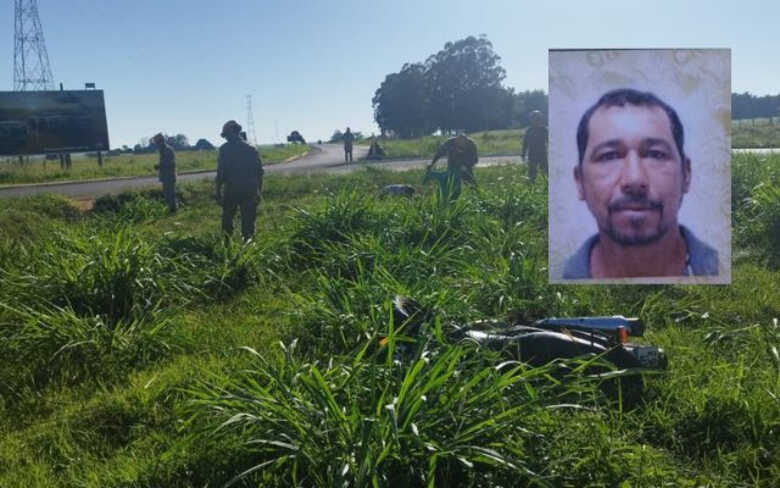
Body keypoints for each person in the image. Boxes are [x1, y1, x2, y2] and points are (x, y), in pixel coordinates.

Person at [562, 88, 718, 279]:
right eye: (609, 156)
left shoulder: (724, 269)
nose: (634, 180)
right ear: (580, 182)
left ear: (686, 174)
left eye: (656, 154)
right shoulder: (557, 280)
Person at [215, 120, 264, 241]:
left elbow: (221, 173)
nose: (226, 138)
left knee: (227, 220)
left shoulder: (224, 149)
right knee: (248, 222)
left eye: (226, 135)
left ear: (231, 133)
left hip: (232, 189)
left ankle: (227, 246)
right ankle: (248, 247)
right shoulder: (251, 148)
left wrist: (217, 191)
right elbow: (260, 173)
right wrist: (259, 191)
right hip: (250, 189)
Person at [152, 132, 177, 213]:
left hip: (169, 176)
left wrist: (159, 166)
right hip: (165, 176)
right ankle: (170, 210)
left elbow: (169, 163)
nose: (157, 144)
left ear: (161, 141)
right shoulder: (162, 150)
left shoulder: (168, 149)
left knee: (170, 195)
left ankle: (173, 211)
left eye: (157, 142)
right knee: (167, 195)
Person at [522, 110, 548, 183]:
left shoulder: (544, 130)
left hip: (542, 153)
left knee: (546, 171)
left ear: (540, 119)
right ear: (531, 119)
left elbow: (549, 141)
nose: (536, 121)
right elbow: (525, 143)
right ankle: (531, 186)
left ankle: (547, 185)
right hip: (532, 154)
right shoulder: (529, 130)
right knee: (532, 173)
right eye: (535, 119)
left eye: (538, 119)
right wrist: (523, 154)